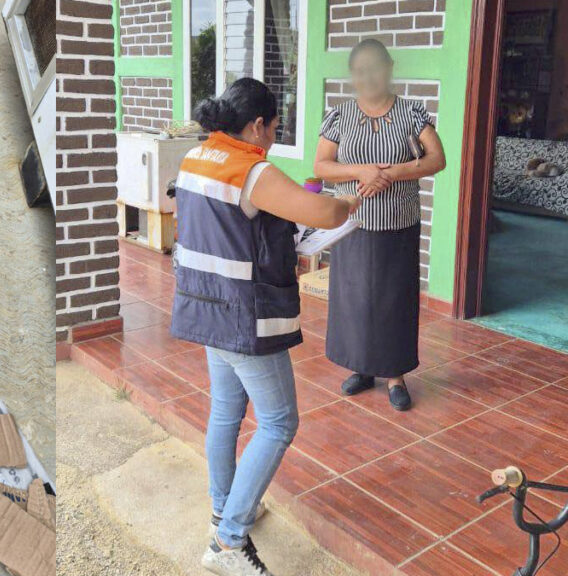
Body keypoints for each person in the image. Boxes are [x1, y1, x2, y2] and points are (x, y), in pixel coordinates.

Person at [170, 78, 360, 576]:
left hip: (205, 306)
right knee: (279, 423)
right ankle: (228, 543)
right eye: (275, 128)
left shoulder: (197, 157)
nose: (273, 138)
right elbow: (321, 211)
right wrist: (349, 202)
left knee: (226, 413)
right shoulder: (250, 168)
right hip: (240, 315)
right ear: (257, 124)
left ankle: (225, 510)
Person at [313, 39, 446, 411]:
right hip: (352, 222)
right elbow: (321, 165)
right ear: (352, 76)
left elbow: (437, 159)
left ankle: (395, 375)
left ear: (390, 67)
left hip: (398, 225)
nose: (368, 76)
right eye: (360, 70)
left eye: (375, 67)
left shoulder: (411, 113)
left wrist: (390, 173)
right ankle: (362, 367)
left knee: (393, 300)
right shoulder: (339, 116)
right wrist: (362, 171)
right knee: (354, 298)